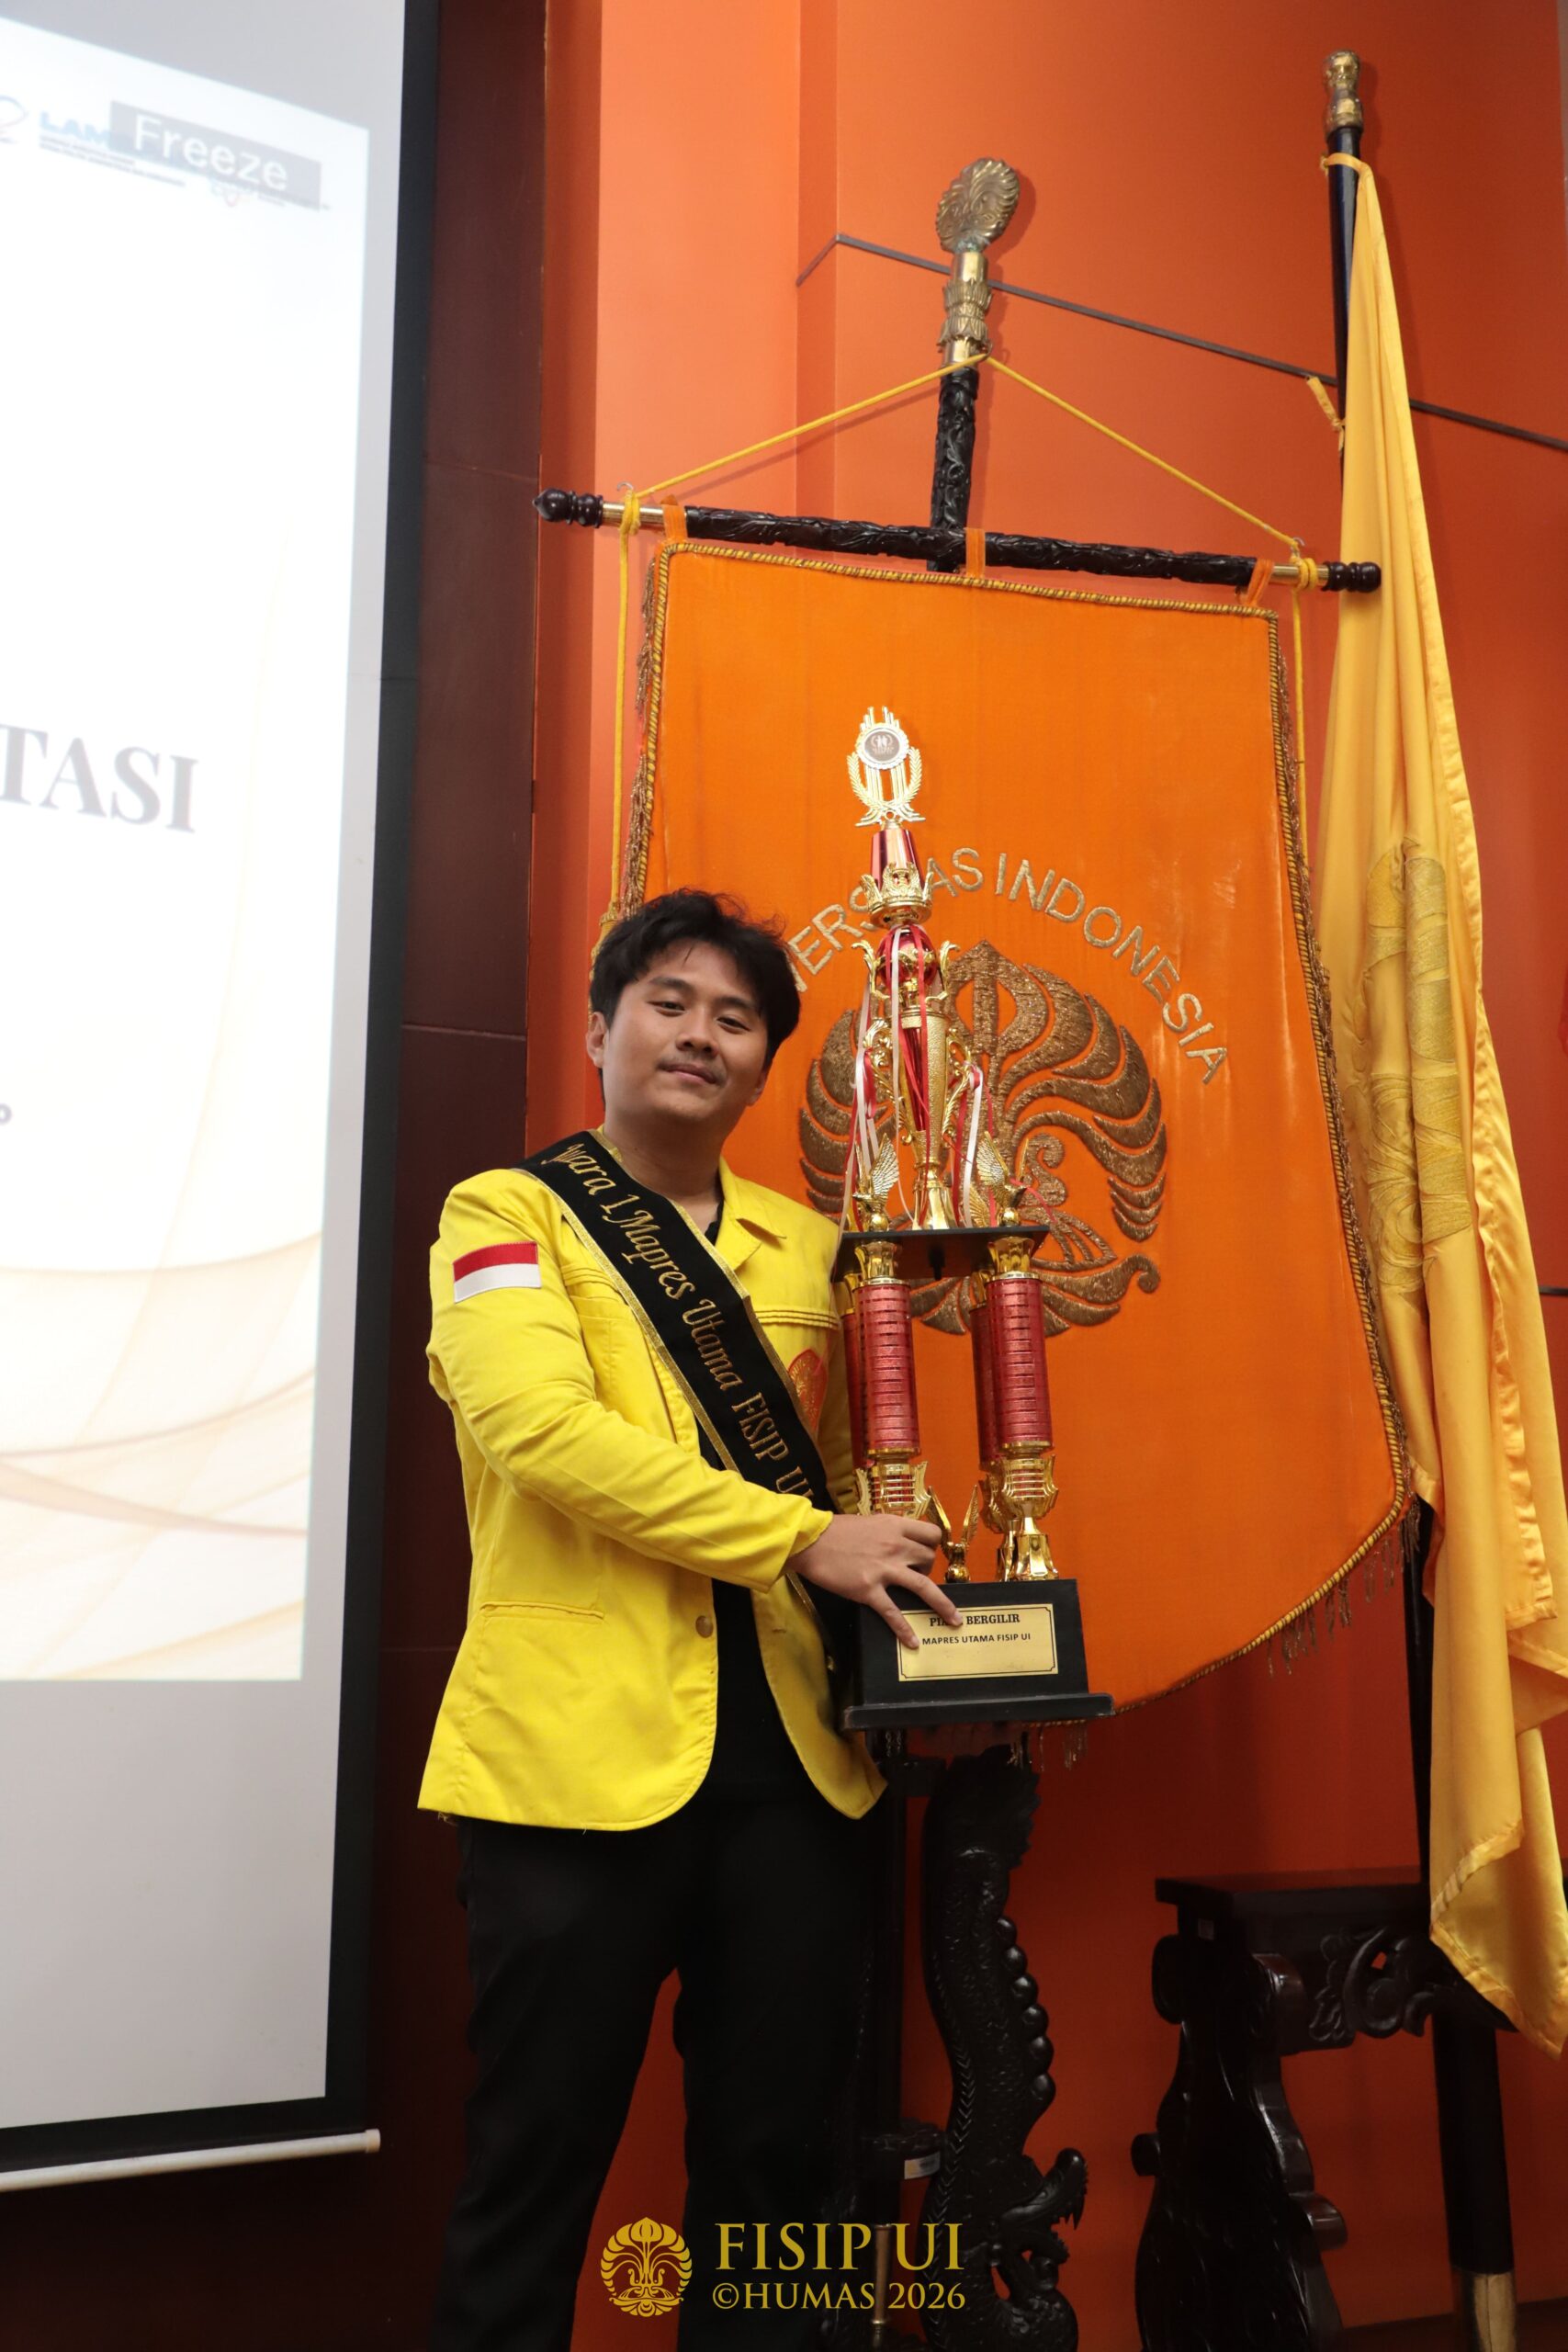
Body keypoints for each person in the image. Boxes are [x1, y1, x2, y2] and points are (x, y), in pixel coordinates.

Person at [421, 888, 960, 2352]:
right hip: (569, 1772)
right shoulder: (505, 1215)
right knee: (534, 2172)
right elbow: (542, 1431)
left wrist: (930, 1569)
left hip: (797, 1775)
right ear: (600, 1027)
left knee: (779, 2177)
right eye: (669, 1002)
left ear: (763, 1063)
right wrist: (803, 1537)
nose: (700, 1035)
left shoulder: (817, 1250)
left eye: (736, 1018)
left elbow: (858, 1484)